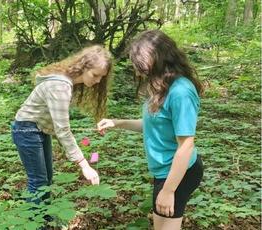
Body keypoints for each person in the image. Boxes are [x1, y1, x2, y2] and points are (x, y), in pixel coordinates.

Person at [96, 30, 204, 230]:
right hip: (164, 173)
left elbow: (186, 145)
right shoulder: (162, 87)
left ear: (155, 59)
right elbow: (154, 125)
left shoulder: (181, 91)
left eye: (139, 65)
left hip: (179, 173)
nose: (137, 72)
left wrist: (169, 190)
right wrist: (117, 123)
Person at [12, 45, 112, 208]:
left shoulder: (67, 81)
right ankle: (33, 223)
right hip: (27, 130)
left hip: (39, 130)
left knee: (46, 179)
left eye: (101, 77)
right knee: (38, 181)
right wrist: (84, 165)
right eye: (95, 75)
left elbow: (59, 127)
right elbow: (63, 130)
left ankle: (43, 219)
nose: (98, 81)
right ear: (84, 67)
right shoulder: (60, 86)